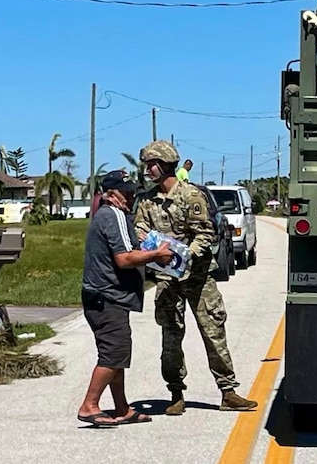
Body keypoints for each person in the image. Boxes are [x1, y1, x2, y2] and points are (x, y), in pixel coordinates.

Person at [133, 140, 258, 416]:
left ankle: (228, 391)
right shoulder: (147, 201)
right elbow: (140, 230)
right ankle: (176, 393)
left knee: (213, 332)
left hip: (199, 277)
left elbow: (206, 232)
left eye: (152, 164)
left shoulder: (191, 196)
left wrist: (186, 253)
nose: (148, 169)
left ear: (166, 165)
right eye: (147, 164)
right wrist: (153, 248)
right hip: (167, 279)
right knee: (171, 336)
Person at [77, 170, 174, 428]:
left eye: (131, 190)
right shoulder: (113, 214)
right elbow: (124, 258)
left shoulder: (110, 215)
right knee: (113, 354)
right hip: (107, 298)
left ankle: (122, 408)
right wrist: (156, 255)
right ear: (110, 195)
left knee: (116, 355)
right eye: (125, 192)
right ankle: (89, 405)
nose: (131, 196)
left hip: (103, 297)